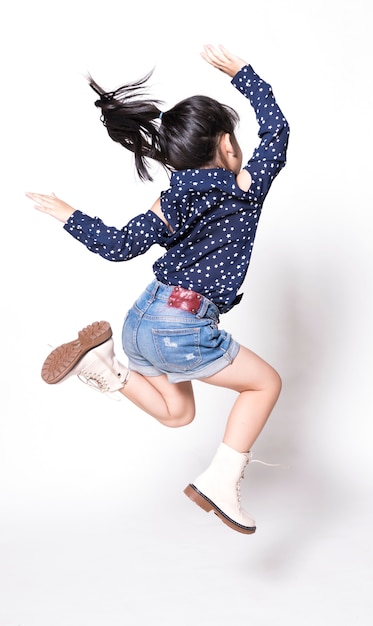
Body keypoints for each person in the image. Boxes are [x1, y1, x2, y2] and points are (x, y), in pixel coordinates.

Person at [26, 44, 289, 535]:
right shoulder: (246, 186)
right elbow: (278, 132)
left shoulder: (171, 200)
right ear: (228, 145)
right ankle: (221, 482)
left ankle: (102, 367)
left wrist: (69, 214)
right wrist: (244, 75)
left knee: (177, 415)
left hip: (141, 319)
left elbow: (119, 246)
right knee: (266, 383)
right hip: (183, 326)